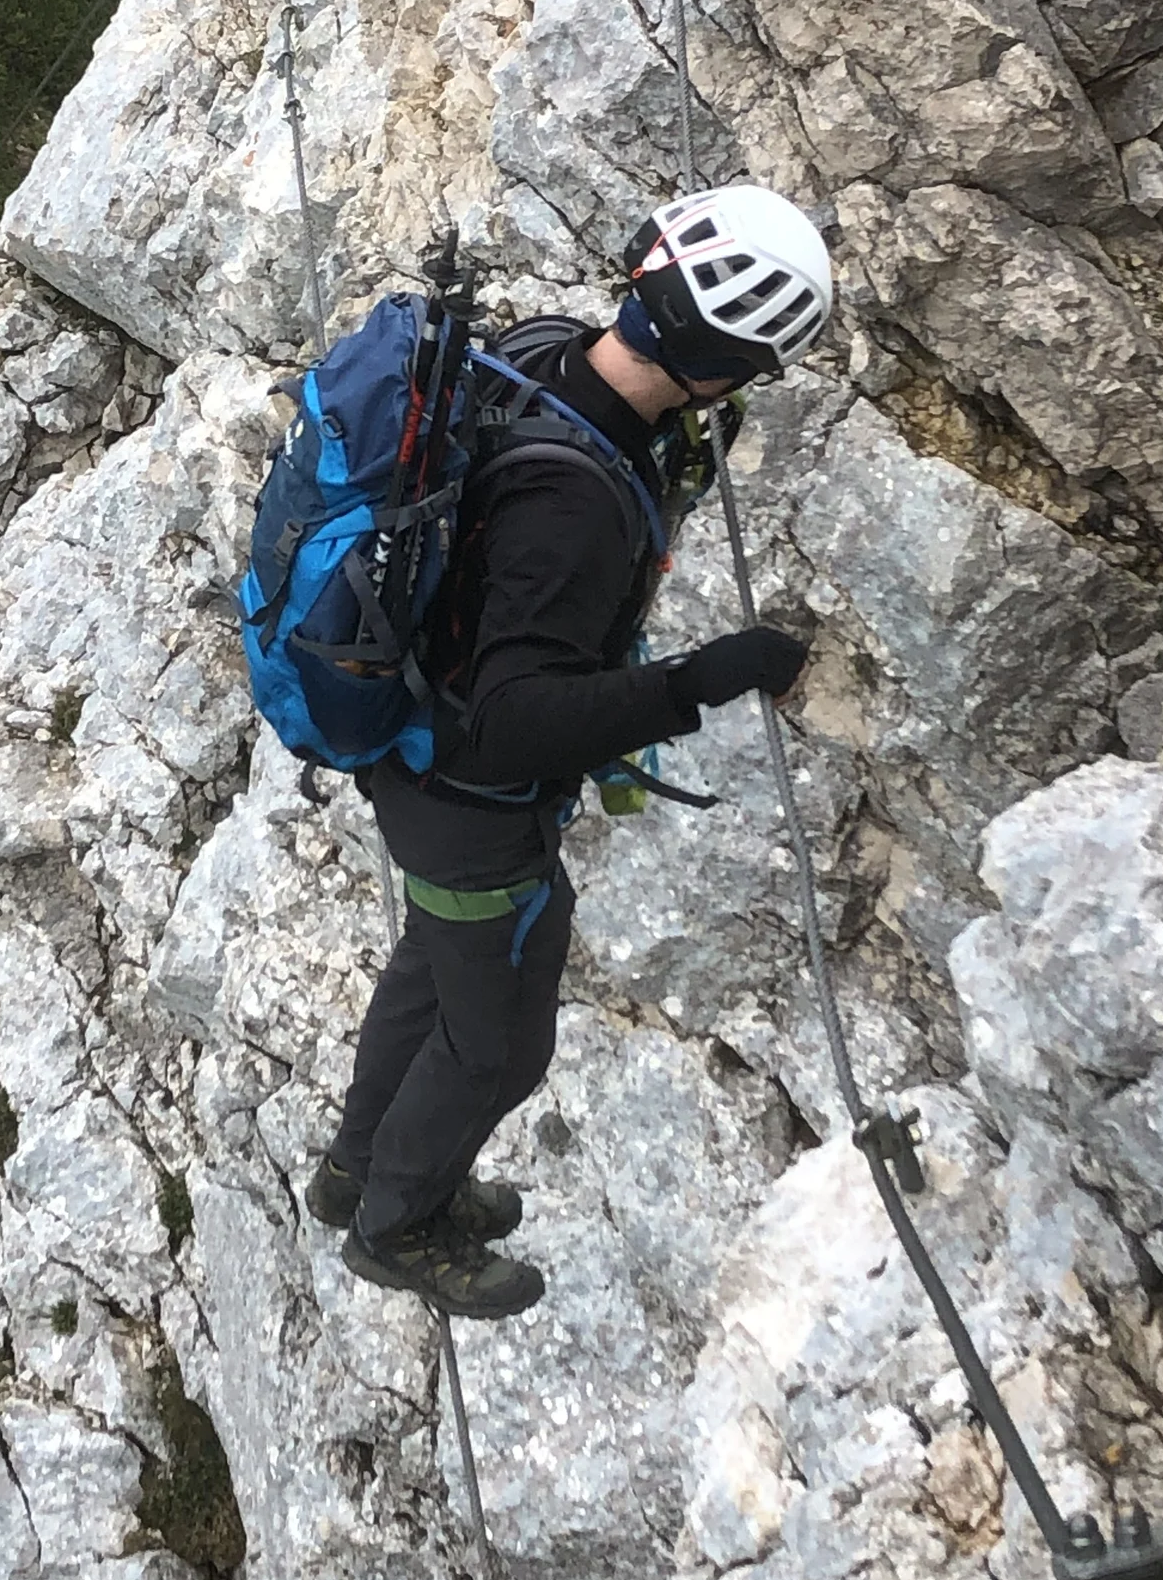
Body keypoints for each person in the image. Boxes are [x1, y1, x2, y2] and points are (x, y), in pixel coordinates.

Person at [305, 184, 835, 1319]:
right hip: (471, 795)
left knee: (431, 972)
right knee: (500, 1045)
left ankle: (357, 1166)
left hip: (404, 750)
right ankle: (399, 1222)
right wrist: (706, 678)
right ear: (725, 359)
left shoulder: (543, 358)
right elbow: (512, 717)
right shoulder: (575, 509)